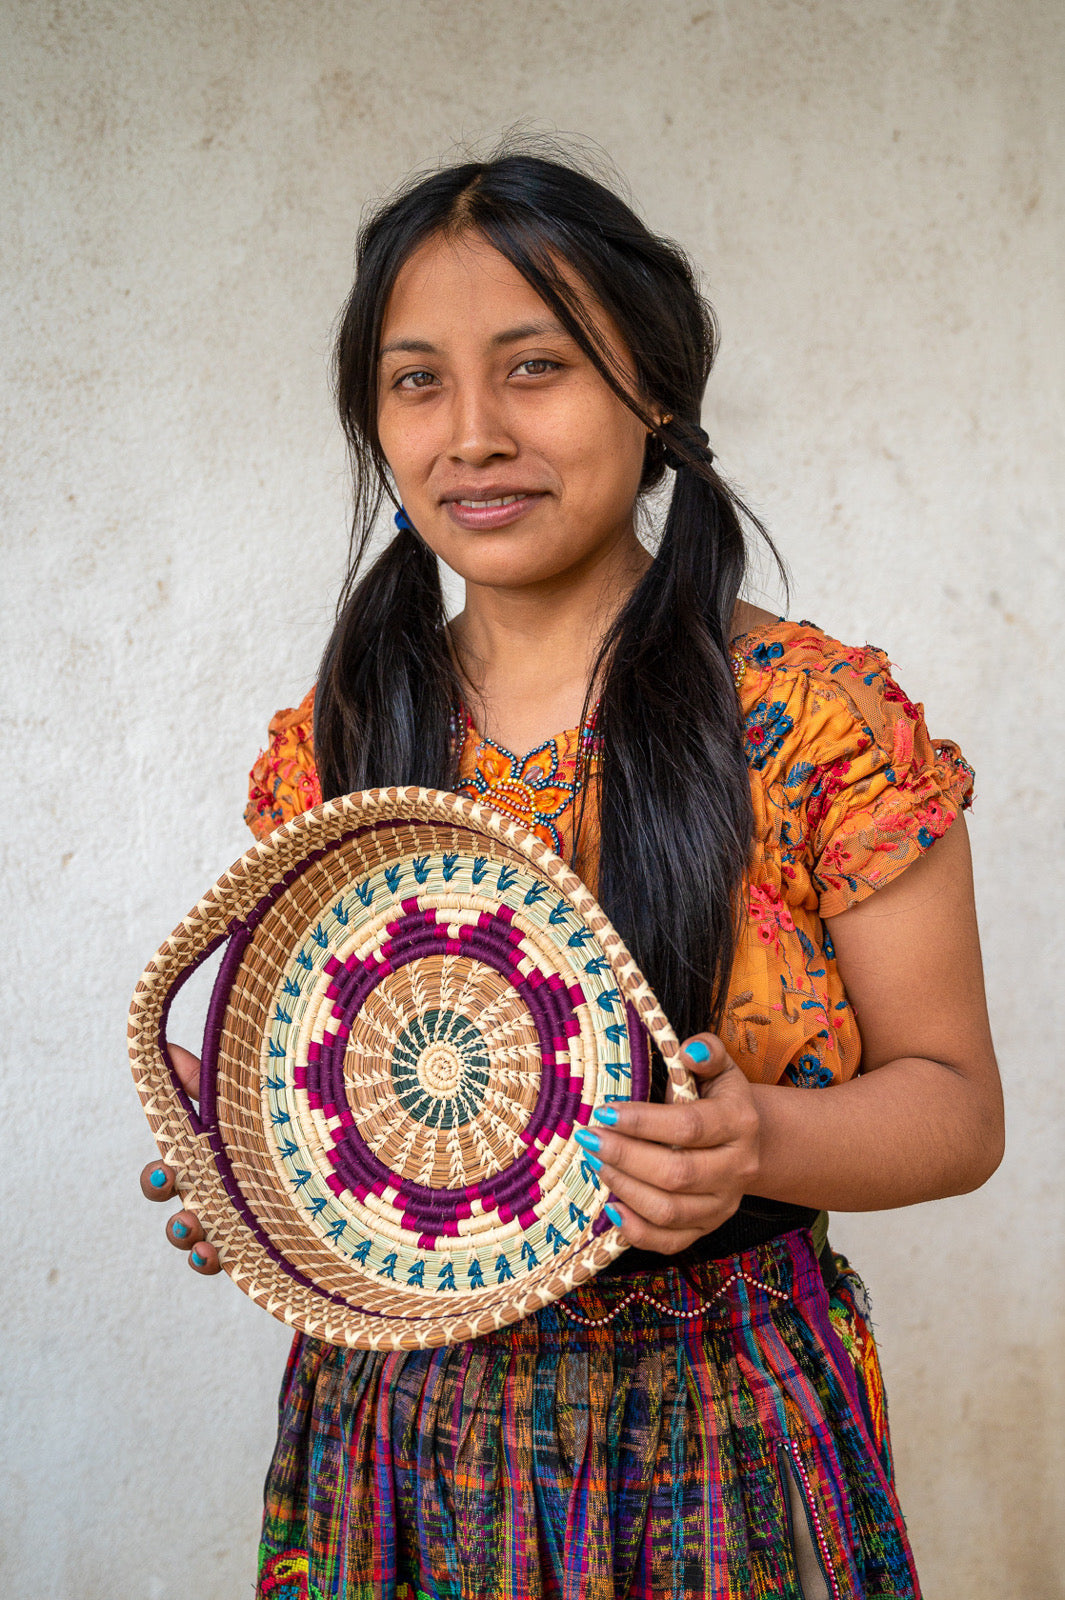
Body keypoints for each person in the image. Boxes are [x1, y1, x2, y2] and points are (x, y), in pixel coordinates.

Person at [140, 149, 1003, 1600]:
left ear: (652, 390)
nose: (471, 433)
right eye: (416, 381)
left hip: (726, 1431)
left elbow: (956, 1111)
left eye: (532, 366)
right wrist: (266, 1183)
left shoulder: (813, 723)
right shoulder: (335, 747)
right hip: (396, 1434)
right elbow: (359, 1086)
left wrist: (753, 1150)